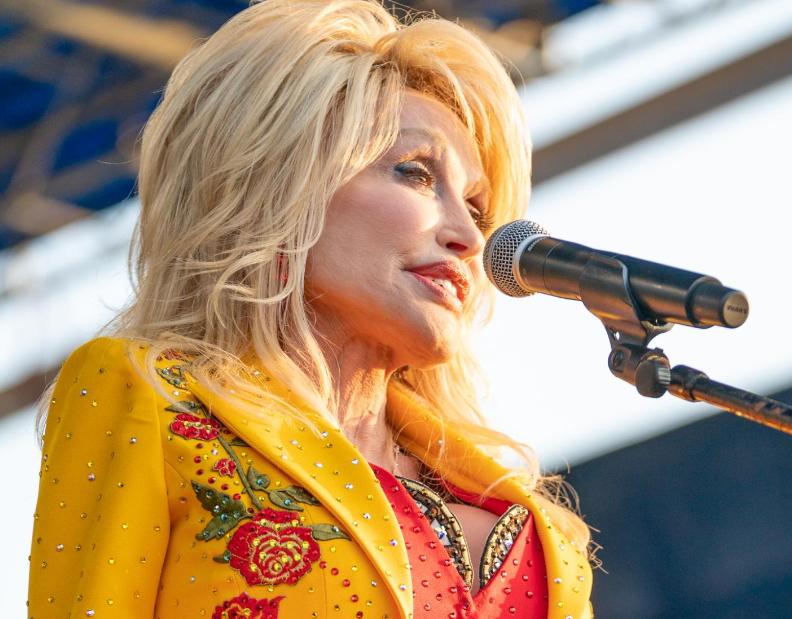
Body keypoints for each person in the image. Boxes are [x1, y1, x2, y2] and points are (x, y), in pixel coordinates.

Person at [26, 1, 594, 617]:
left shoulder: (543, 532)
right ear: (278, 188)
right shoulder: (149, 396)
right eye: (414, 173)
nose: (469, 236)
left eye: (479, 208)